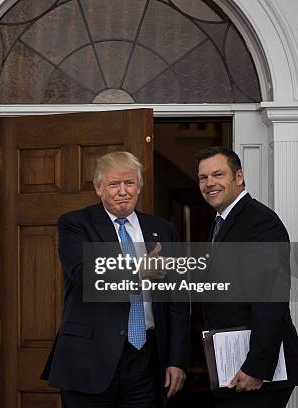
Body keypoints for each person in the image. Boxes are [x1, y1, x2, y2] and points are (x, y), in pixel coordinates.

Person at [41, 151, 190, 408]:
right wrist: (140, 271)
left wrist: (176, 360)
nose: (123, 191)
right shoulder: (76, 224)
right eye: (114, 184)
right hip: (89, 359)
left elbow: (177, 299)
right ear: (99, 189)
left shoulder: (163, 230)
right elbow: (85, 275)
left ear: (139, 186)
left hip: (146, 359)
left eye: (129, 183)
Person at [196, 146, 298, 407]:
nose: (209, 183)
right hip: (233, 365)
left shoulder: (259, 223)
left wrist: (257, 367)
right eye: (203, 177)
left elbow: (269, 300)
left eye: (218, 174)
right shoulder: (221, 221)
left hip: (254, 371)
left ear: (239, 177)